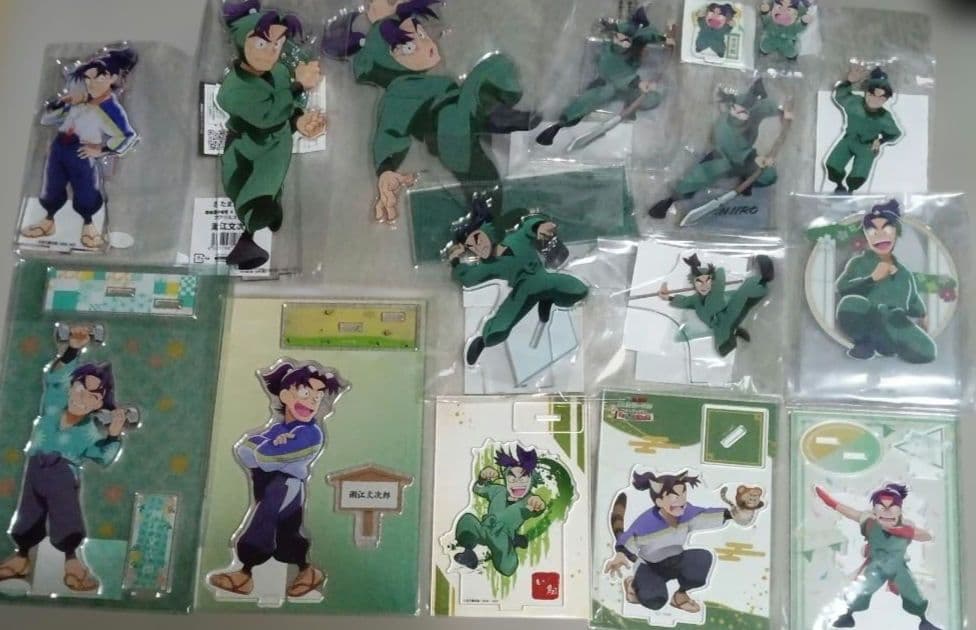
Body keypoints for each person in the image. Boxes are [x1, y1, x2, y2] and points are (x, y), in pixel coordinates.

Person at [323, 1, 540, 223]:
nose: (426, 44)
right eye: (409, 47)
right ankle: (494, 116)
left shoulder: (429, 82)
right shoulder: (397, 94)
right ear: (388, 64)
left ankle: (486, 218)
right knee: (480, 83)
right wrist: (386, 168)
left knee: (486, 178)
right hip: (447, 130)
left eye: (421, 34)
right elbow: (390, 131)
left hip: (460, 125)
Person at [0, 327, 129, 591]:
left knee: (66, 516)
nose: (83, 399)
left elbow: (102, 457)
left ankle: (72, 562)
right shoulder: (52, 404)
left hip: (63, 475)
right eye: (80, 389)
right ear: (71, 387)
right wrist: (72, 349)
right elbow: (55, 377)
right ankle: (22, 556)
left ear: (99, 405)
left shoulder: (89, 431)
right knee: (28, 513)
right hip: (36, 467)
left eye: (94, 397)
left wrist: (114, 434)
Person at [209, 361, 347, 598]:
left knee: (264, 521)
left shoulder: (311, 433)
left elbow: (265, 457)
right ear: (284, 395)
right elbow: (244, 449)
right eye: (305, 393)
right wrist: (270, 446)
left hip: (286, 485)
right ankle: (308, 571)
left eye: (317, 397)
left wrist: (269, 449)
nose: (311, 402)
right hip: (268, 484)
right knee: (287, 532)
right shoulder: (278, 429)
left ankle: (244, 573)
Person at [218, 0, 327, 270]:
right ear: (241, 42)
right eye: (262, 44)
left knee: (273, 186)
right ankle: (248, 238)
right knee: (252, 196)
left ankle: (266, 213)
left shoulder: (278, 71)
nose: (270, 53)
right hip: (247, 153)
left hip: (276, 149)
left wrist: (299, 120)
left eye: (277, 45)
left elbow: (284, 109)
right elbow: (265, 116)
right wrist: (298, 85)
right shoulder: (233, 88)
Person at [21, 48, 139, 249]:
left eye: (98, 78)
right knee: (52, 185)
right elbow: (47, 119)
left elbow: (128, 136)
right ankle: (48, 220)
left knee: (86, 189)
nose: (91, 83)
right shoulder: (78, 100)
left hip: (82, 151)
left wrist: (102, 149)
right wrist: (63, 102)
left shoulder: (110, 108)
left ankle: (89, 225)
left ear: (112, 78)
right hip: (59, 147)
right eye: (87, 78)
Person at [447, 200, 589, 366]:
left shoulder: (515, 239)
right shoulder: (488, 265)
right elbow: (469, 277)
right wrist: (455, 262)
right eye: (471, 246)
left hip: (543, 278)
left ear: (488, 230)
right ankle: (483, 342)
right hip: (522, 290)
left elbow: (527, 226)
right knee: (501, 324)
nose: (478, 247)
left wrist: (539, 226)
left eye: (478, 239)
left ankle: (549, 298)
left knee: (577, 289)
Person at [605, 471, 758, 613]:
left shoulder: (686, 513)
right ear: (659, 501)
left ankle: (680, 596)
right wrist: (621, 554)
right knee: (655, 601)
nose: (681, 501)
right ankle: (634, 584)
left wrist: (733, 514)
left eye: (683, 494)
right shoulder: (647, 522)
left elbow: (705, 516)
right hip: (650, 567)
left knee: (702, 558)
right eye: (674, 497)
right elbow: (629, 538)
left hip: (676, 561)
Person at [648, 79, 791, 219]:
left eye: (744, 111)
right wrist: (757, 160)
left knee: (769, 176)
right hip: (724, 158)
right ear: (731, 108)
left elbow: (766, 107)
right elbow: (732, 151)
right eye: (736, 109)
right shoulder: (725, 128)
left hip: (746, 159)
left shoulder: (752, 113)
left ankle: (748, 180)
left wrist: (784, 109)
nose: (740, 113)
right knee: (698, 177)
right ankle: (668, 202)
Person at [535, 6, 673, 146]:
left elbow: (647, 35)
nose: (622, 41)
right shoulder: (609, 53)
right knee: (594, 97)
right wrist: (637, 83)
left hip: (627, 87)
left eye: (627, 39)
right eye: (619, 37)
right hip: (608, 83)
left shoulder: (635, 40)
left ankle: (631, 106)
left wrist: (664, 38)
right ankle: (559, 126)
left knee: (651, 99)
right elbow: (616, 76)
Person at [815, 484, 941, 630]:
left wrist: (902, 531)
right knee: (861, 590)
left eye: (892, 507)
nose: (887, 511)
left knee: (912, 593)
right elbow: (846, 510)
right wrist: (827, 500)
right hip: (876, 566)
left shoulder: (907, 526)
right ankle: (848, 616)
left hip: (898, 567)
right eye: (882, 507)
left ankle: (923, 621)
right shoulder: (869, 521)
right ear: (875, 510)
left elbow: (927, 536)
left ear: (900, 510)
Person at [834, 200, 935, 363]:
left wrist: (923, 315)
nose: (880, 237)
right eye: (873, 232)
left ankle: (886, 341)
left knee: (928, 350)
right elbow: (843, 288)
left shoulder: (904, 274)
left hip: (894, 323)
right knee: (850, 303)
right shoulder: (859, 264)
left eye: (886, 230)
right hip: (866, 318)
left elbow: (913, 300)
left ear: (895, 232)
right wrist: (872, 278)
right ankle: (871, 342)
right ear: (866, 237)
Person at [452, 446, 546, 577]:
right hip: (484, 529)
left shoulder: (528, 500)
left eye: (523, 478)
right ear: (505, 478)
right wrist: (483, 478)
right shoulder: (499, 491)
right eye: (512, 478)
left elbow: (536, 509)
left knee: (508, 566)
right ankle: (469, 552)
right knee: (466, 521)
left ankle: (512, 542)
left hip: (502, 537)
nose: (517, 483)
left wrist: (538, 505)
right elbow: (478, 489)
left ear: (531, 479)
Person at [660, 253, 774, 356]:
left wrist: (709, 270)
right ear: (694, 283)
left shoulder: (715, 290)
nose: (704, 285)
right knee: (721, 348)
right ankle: (734, 331)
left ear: (712, 281)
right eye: (699, 282)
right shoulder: (695, 300)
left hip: (728, 314)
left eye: (707, 281)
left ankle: (763, 279)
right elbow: (684, 301)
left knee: (746, 291)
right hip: (718, 326)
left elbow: (720, 274)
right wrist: (668, 297)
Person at [825, 67, 901, 194]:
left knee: (859, 175)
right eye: (872, 94)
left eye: (881, 98)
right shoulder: (855, 103)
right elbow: (841, 96)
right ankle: (839, 185)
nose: (875, 100)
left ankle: (851, 190)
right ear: (866, 92)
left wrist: (881, 141)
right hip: (849, 139)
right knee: (833, 165)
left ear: (886, 99)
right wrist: (849, 82)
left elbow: (895, 133)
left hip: (867, 146)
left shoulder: (884, 117)